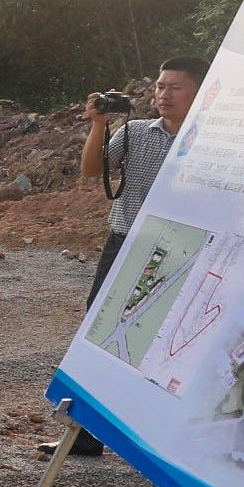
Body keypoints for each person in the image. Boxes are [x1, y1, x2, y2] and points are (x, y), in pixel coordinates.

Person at [65, 56, 207, 455]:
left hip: (181, 251)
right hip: (124, 242)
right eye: (161, 86)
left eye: (175, 87)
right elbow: (92, 171)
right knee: (101, 333)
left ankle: (156, 439)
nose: (163, 94)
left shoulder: (214, 142)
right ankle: (86, 434)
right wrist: (97, 124)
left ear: (200, 90)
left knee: (165, 342)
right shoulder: (136, 133)